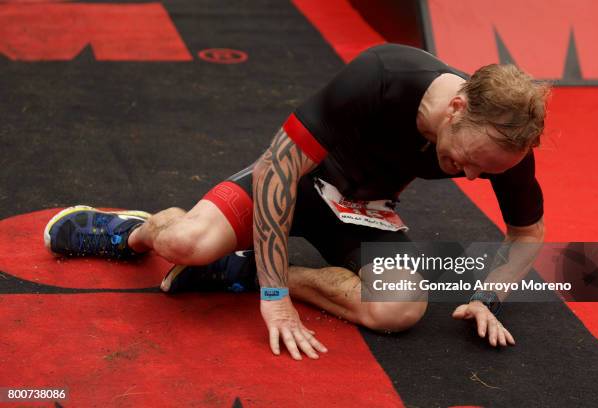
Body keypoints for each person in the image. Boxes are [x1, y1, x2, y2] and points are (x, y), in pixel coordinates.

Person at [44, 44, 549, 360]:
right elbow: (275, 171)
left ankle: (242, 270)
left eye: (488, 171)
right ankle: (127, 231)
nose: (476, 176)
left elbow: (527, 234)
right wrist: (275, 301)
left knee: (399, 309)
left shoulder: (504, 144)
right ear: (456, 107)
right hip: (296, 185)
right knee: (184, 242)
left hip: (364, 211)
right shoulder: (383, 74)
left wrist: (488, 296)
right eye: (470, 161)